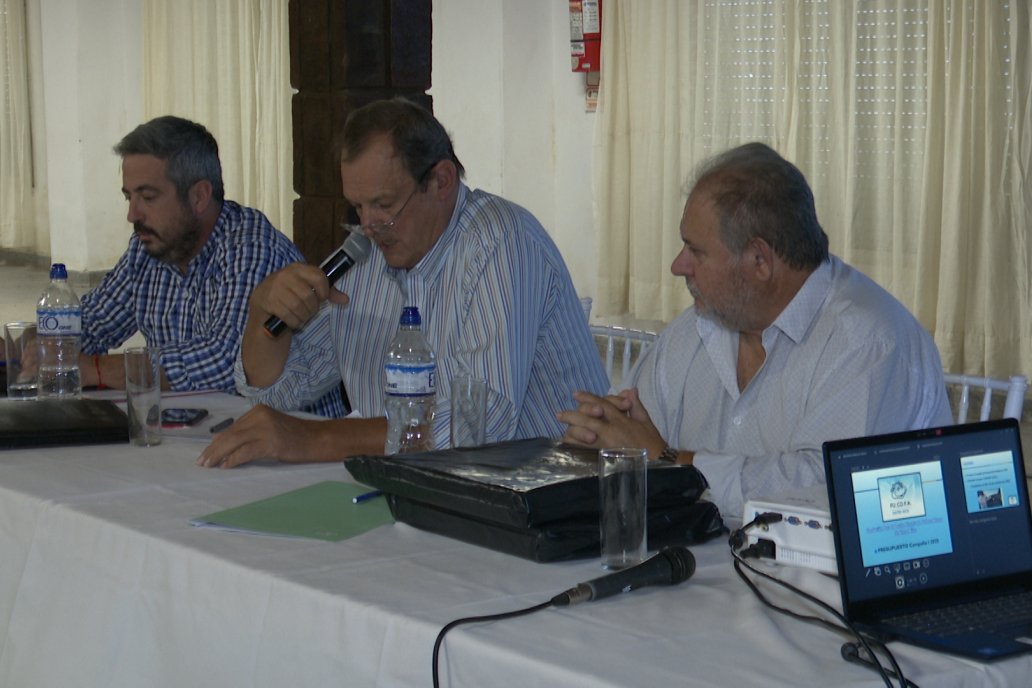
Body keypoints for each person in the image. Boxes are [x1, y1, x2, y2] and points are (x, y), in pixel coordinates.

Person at [197, 98, 608, 468]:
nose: (369, 225)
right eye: (357, 207)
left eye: (384, 205)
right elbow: (280, 394)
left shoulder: (501, 239)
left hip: (546, 491)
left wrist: (314, 437)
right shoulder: (365, 255)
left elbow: (479, 424)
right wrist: (263, 317)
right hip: (416, 487)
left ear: (441, 182)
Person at [559, 142, 952, 524]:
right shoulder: (696, 329)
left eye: (695, 251)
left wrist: (665, 461)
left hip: (818, 586)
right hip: (703, 573)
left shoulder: (869, 341)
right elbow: (635, 439)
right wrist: (603, 437)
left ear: (759, 260)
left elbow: (822, 492)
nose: (678, 266)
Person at [75, 116, 341, 414]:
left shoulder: (251, 246)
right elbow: (90, 324)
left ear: (200, 196)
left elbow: (226, 360)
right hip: (191, 437)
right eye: (128, 197)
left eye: (148, 197)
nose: (133, 214)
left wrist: (99, 369)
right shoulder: (149, 247)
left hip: (289, 445)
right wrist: (40, 345)